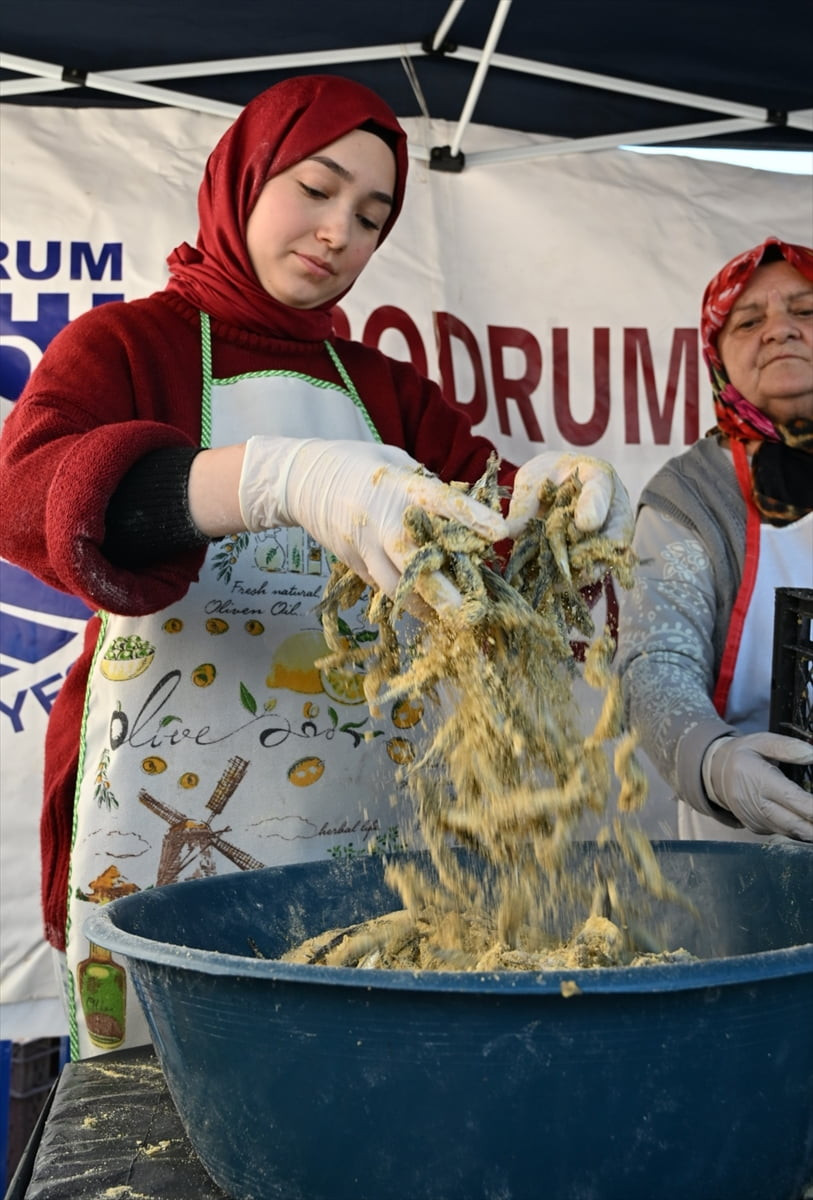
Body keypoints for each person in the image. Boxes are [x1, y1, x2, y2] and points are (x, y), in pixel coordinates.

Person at [0, 74, 631, 1057]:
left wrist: (556, 515)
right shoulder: (125, 344)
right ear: (245, 177)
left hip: (362, 820)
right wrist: (264, 479)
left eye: (373, 216)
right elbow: (27, 499)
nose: (340, 231)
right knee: (158, 1093)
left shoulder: (392, 393)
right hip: (163, 820)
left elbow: (502, 555)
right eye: (317, 187)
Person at [616, 236, 813, 843]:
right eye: (748, 320)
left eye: (806, 311)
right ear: (718, 359)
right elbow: (656, 662)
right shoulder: (693, 495)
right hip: (752, 842)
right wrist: (714, 763)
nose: (778, 330)